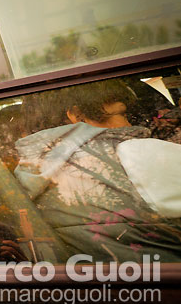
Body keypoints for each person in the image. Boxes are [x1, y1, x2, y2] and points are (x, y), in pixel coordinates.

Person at [13, 79, 181, 262]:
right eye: (122, 114)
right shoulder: (135, 152)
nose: (128, 123)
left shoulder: (23, 175)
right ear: (77, 115)